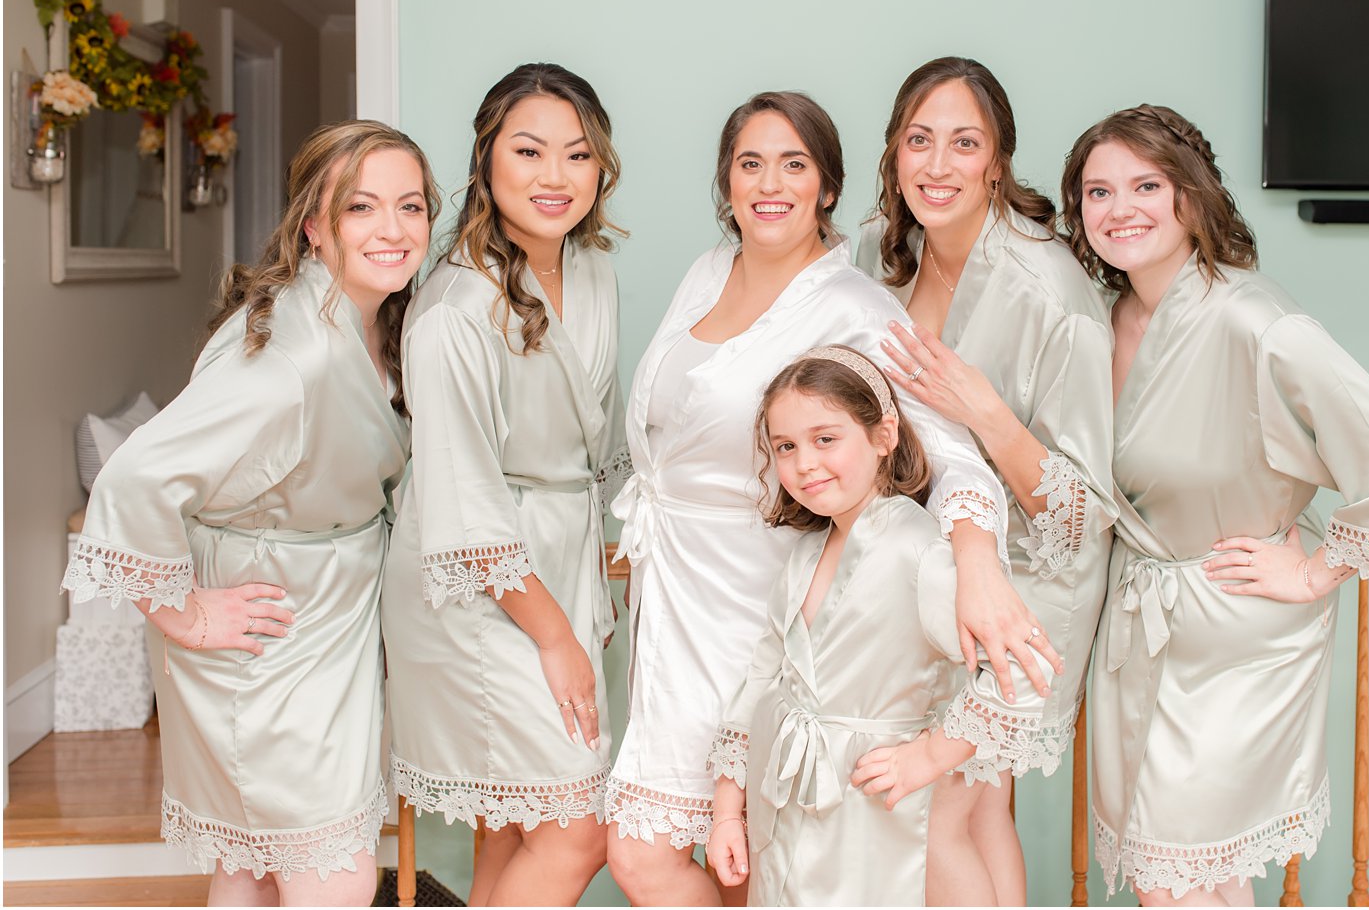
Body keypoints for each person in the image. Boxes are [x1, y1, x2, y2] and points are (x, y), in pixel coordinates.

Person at [605, 90, 1060, 907]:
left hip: (765, 597)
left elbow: (951, 453)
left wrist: (977, 558)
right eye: (750, 163)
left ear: (826, 185)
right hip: (673, 601)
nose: (769, 183)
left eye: (794, 163)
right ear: (726, 181)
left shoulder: (853, 306)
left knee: (767, 851)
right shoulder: (705, 273)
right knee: (655, 850)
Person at [1058, 105, 1369, 906]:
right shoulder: (1107, 320)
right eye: (1097, 192)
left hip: (1235, 628)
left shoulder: (1254, 318)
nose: (1120, 209)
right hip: (1140, 616)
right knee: (1164, 881)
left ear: (1192, 195)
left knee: (1193, 881)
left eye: (1146, 184)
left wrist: (1320, 570)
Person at [61, 120, 439, 906]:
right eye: (362, 208)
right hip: (269, 625)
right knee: (330, 871)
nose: (395, 230)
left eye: (411, 206)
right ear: (313, 227)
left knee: (252, 864)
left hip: (320, 616)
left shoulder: (371, 322)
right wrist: (182, 616)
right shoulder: (293, 358)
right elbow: (134, 476)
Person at [858, 56, 1118, 903]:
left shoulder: (1052, 290)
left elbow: (1084, 513)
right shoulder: (880, 254)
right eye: (918, 140)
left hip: (1031, 584)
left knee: (937, 815)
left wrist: (988, 413)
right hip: (929, 573)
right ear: (894, 153)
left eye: (963, 143)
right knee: (976, 811)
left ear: (998, 161)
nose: (937, 165)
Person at [381, 63, 629, 907]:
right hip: (475, 585)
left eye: (577, 155)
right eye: (529, 151)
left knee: (510, 823)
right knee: (576, 825)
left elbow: (598, 436)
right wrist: (555, 634)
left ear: (602, 168)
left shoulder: (591, 272)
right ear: (488, 160)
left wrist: (595, 574)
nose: (555, 177)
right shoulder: (454, 308)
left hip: (557, 563)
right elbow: (462, 498)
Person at [705, 345, 1053, 906]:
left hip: (878, 816)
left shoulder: (916, 550)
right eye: (785, 447)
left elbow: (1023, 666)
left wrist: (932, 756)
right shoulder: (806, 555)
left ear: (883, 435)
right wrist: (727, 811)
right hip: (790, 814)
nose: (804, 464)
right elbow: (761, 680)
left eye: (825, 439)